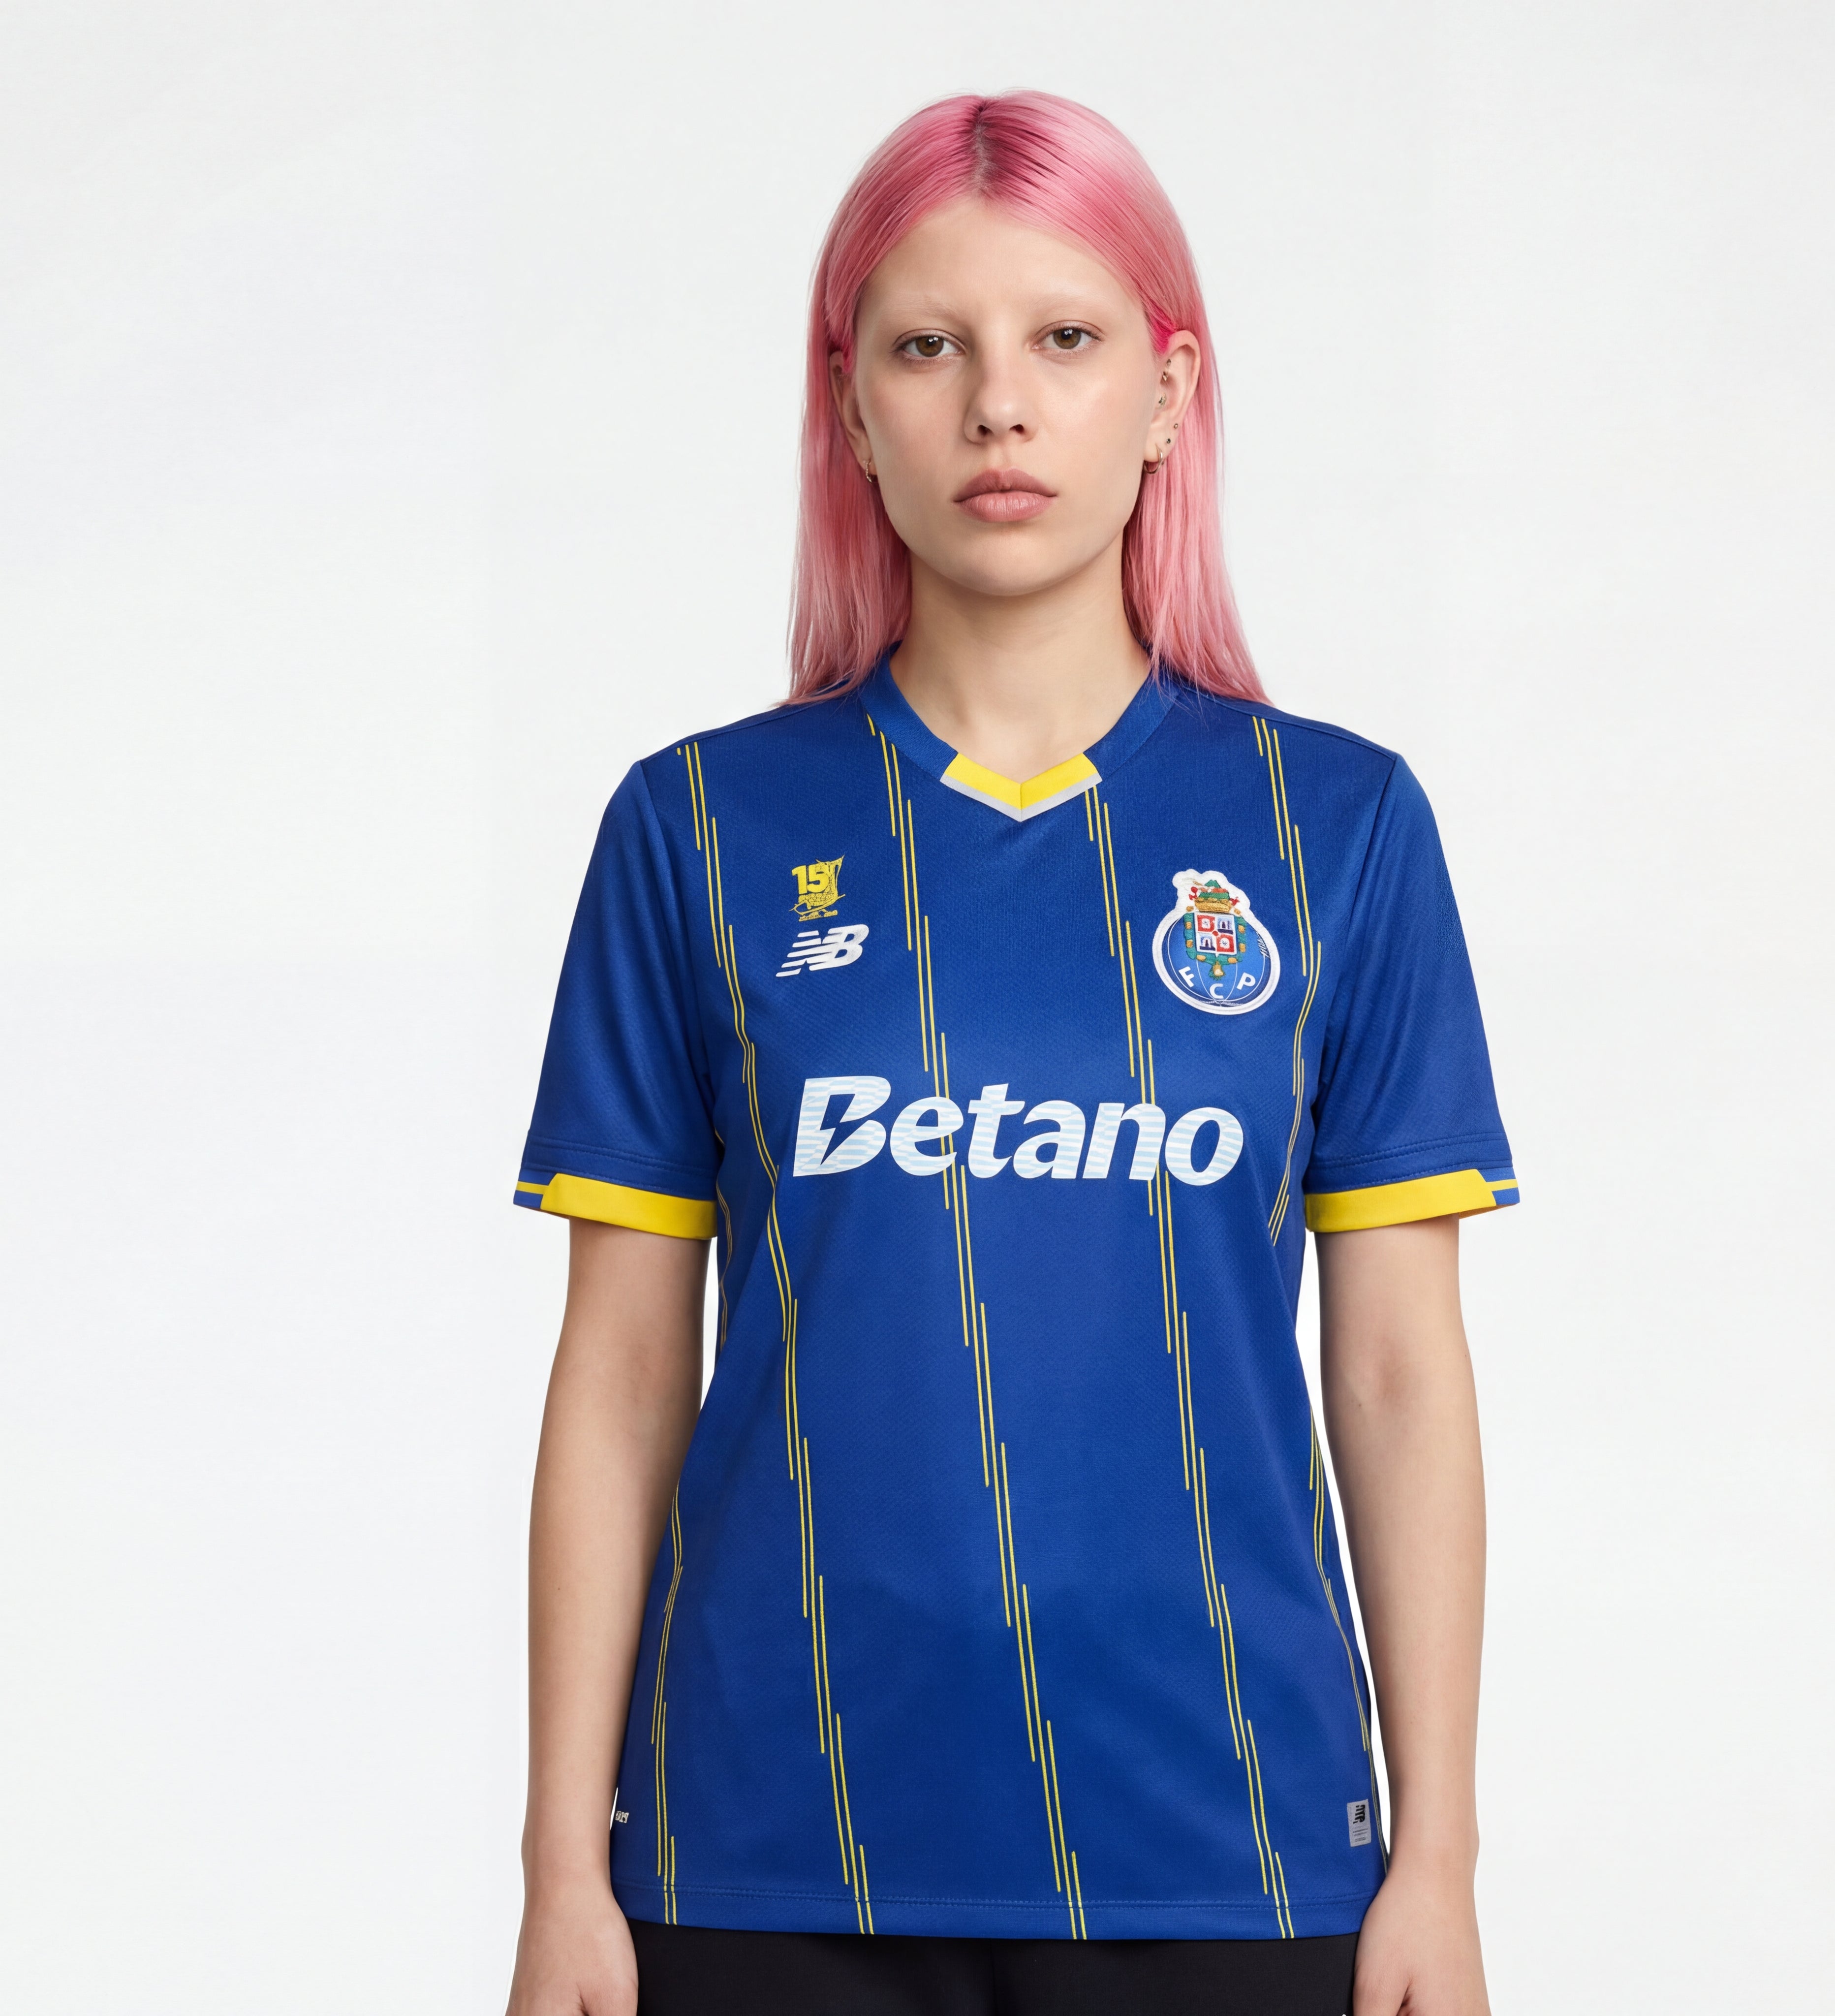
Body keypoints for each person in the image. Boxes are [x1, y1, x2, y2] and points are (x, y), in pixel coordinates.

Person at [503, 92, 1515, 2016]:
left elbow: (1396, 1373)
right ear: (848, 403)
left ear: (1169, 392)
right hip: (766, 1846)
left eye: (1064, 338)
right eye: (926, 346)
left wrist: (1439, 1860)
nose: (998, 406)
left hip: (1229, 1851)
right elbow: (621, 1372)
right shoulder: (696, 828)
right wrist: (563, 1865)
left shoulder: (1337, 831)